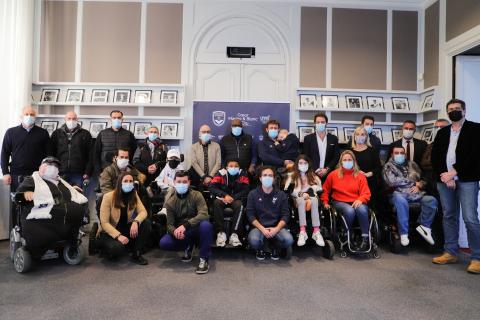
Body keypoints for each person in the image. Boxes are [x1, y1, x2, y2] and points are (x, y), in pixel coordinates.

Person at [431, 99, 480, 274]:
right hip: (445, 181)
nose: (454, 111)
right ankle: (450, 252)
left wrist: (454, 172)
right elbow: (435, 156)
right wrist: (445, 176)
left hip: (467, 180)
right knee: (449, 215)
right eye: (450, 109)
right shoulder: (443, 132)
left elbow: (475, 156)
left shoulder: (475, 129)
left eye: (457, 109)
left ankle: (477, 257)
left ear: (464, 111)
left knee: (470, 218)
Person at [15, 157, 88, 257]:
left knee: (79, 209)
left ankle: (70, 243)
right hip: (43, 216)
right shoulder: (32, 180)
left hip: (62, 215)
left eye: (55, 166)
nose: (53, 168)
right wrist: (25, 193)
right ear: (41, 167)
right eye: (49, 165)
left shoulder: (61, 181)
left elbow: (66, 192)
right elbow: (19, 194)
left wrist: (71, 189)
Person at [159, 171, 213, 274]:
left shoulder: (197, 195)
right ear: (174, 182)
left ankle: (204, 259)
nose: (182, 184)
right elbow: (169, 225)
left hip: (196, 229)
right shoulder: (170, 202)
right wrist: (175, 231)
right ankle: (188, 246)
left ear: (189, 182)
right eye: (179, 181)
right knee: (164, 242)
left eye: (184, 181)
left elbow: (204, 214)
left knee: (206, 225)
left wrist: (186, 225)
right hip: (183, 233)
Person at [383, 146, 437, 247]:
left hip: (416, 194)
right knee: (401, 200)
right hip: (398, 194)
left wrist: (420, 184)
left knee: (431, 200)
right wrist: (413, 184)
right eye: (396, 153)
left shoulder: (413, 164)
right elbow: (392, 182)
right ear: (392, 155)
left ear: (405, 154)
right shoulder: (388, 166)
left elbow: (423, 178)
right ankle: (404, 233)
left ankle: (425, 227)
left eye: (401, 153)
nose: (399, 155)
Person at [96, 172, 151, 265]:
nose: (128, 183)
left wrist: (136, 222)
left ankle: (136, 254)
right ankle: (105, 248)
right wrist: (118, 236)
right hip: (110, 231)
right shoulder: (108, 197)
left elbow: (143, 212)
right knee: (117, 250)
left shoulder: (134, 194)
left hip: (125, 227)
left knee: (146, 223)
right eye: (125, 181)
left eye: (131, 181)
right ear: (119, 182)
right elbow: (104, 223)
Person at [321, 150, 371, 250]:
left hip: (356, 200)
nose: (347, 161)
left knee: (362, 209)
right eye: (345, 160)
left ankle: (365, 239)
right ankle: (345, 233)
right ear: (341, 162)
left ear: (354, 161)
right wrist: (325, 202)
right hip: (339, 201)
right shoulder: (333, 174)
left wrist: (360, 200)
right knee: (350, 210)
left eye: (349, 159)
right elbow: (325, 190)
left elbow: (366, 193)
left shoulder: (360, 176)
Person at [247, 166, 293, 260]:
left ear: (273, 178)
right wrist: (262, 229)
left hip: (277, 227)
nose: (267, 177)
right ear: (260, 178)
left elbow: (285, 215)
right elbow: (250, 215)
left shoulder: (281, 195)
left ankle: (275, 247)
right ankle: (261, 248)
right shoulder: (253, 194)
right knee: (254, 241)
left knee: (289, 240)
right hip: (259, 227)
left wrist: (276, 229)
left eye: (270, 175)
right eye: (265, 175)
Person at [1, 106, 51, 191]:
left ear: (35, 117)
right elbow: (4, 153)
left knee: (36, 202)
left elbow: (49, 154)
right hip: (16, 175)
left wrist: (46, 172)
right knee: (16, 201)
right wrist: (5, 173)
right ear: (21, 116)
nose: (29, 116)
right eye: (26, 114)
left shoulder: (43, 133)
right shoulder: (11, 132)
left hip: (37, 175)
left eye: (32, 114)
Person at [284, 154, 324, 247]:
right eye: (300, 163)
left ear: (308, 164)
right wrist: (301, 194)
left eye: (305, 163)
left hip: (311, 198)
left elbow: (319, 188)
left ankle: (316, 231)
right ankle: (303, 231)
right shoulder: (291, 175)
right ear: (297, 164)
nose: (303, 165)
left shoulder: (314, 176)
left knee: (314, 200)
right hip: (297, 199)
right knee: (301, 200)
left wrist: (310, 193)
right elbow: (289, 190)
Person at [209, 158, 250, 247]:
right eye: (231, 166)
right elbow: (212, 187)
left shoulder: (243, 174)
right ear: (226, 167)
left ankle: (234, 234)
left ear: (239, 167)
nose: (233, 168)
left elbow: (246, 189)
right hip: (222, 198)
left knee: (240, 205)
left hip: (236, 199)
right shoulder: (221, 173)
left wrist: (233, 197)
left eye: (236, 166)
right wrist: (224, 195)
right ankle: (221, 233)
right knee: (216, 203)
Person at [50, 111, 93, 188]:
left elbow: (91, 155)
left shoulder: (85, 134)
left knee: (78, 197)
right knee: (61, 196)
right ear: (65, 119)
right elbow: (51, 153)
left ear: (77, 119)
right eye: (69, 118)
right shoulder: (56, 134)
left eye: (74, 118)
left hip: (78, 173)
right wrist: (52, 170)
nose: (71, 121)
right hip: (60, 172)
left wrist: (87, 172)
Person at [349, 126, 382, 207]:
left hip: (369, 181)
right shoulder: (350, 151)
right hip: (353, 181)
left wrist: (369, 174)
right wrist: (356, 171)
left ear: (366, 137)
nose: (360, 136)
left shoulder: (372, 150)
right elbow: (344, 166)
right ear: (354, 136)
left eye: (362, 134)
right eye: (357, 134)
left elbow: (378, 167)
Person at [303, 113, 340, 181]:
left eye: (322, 122)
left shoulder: (333, 138)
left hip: (329, 173)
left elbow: (336, 156)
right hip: (312, 173)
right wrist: (316, 169)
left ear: (326, 123)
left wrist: (327, 169)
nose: (320, 124)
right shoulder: (308, 138)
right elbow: (306, 156)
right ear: (315, 123)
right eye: (318, 122)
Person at [189, 124, 221, 189]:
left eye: (208, 132)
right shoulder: (194, 147)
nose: (206, 133)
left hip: (213, 177)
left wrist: (210, 176)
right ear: (199, 133)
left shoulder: (216, 146)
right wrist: (203, 176)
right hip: (198, 177)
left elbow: (218, 163)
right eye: (203, 132)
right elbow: (194, 163)